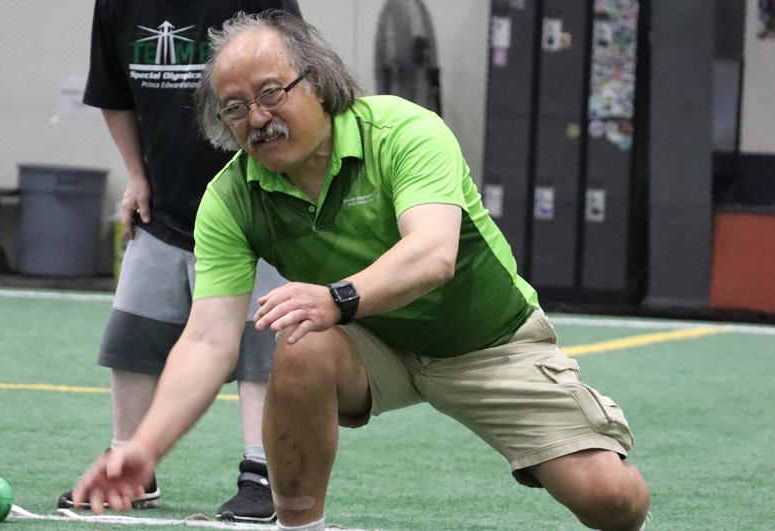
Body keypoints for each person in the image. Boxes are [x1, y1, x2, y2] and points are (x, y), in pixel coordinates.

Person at [71, 11, 651, 531]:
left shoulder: (402, 131)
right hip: (374, 346)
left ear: (318, 83)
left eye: (271, 92)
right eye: (234, 107)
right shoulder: (231, 197)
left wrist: (336, 299)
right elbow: (206, 339)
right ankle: (300, 528)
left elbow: (433, 254)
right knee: (300, 341)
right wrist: (146, 447)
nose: (257, 117)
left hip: (487, 344)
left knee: (610, 502)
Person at [56, 1, 302, 523]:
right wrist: (135, 174)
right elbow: (113, 93)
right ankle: (130, 464)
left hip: (254, 202)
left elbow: (298, 86)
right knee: (132, 337)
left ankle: (262, 472)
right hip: (164, 206)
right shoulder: (117, 4)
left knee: (262, 342)